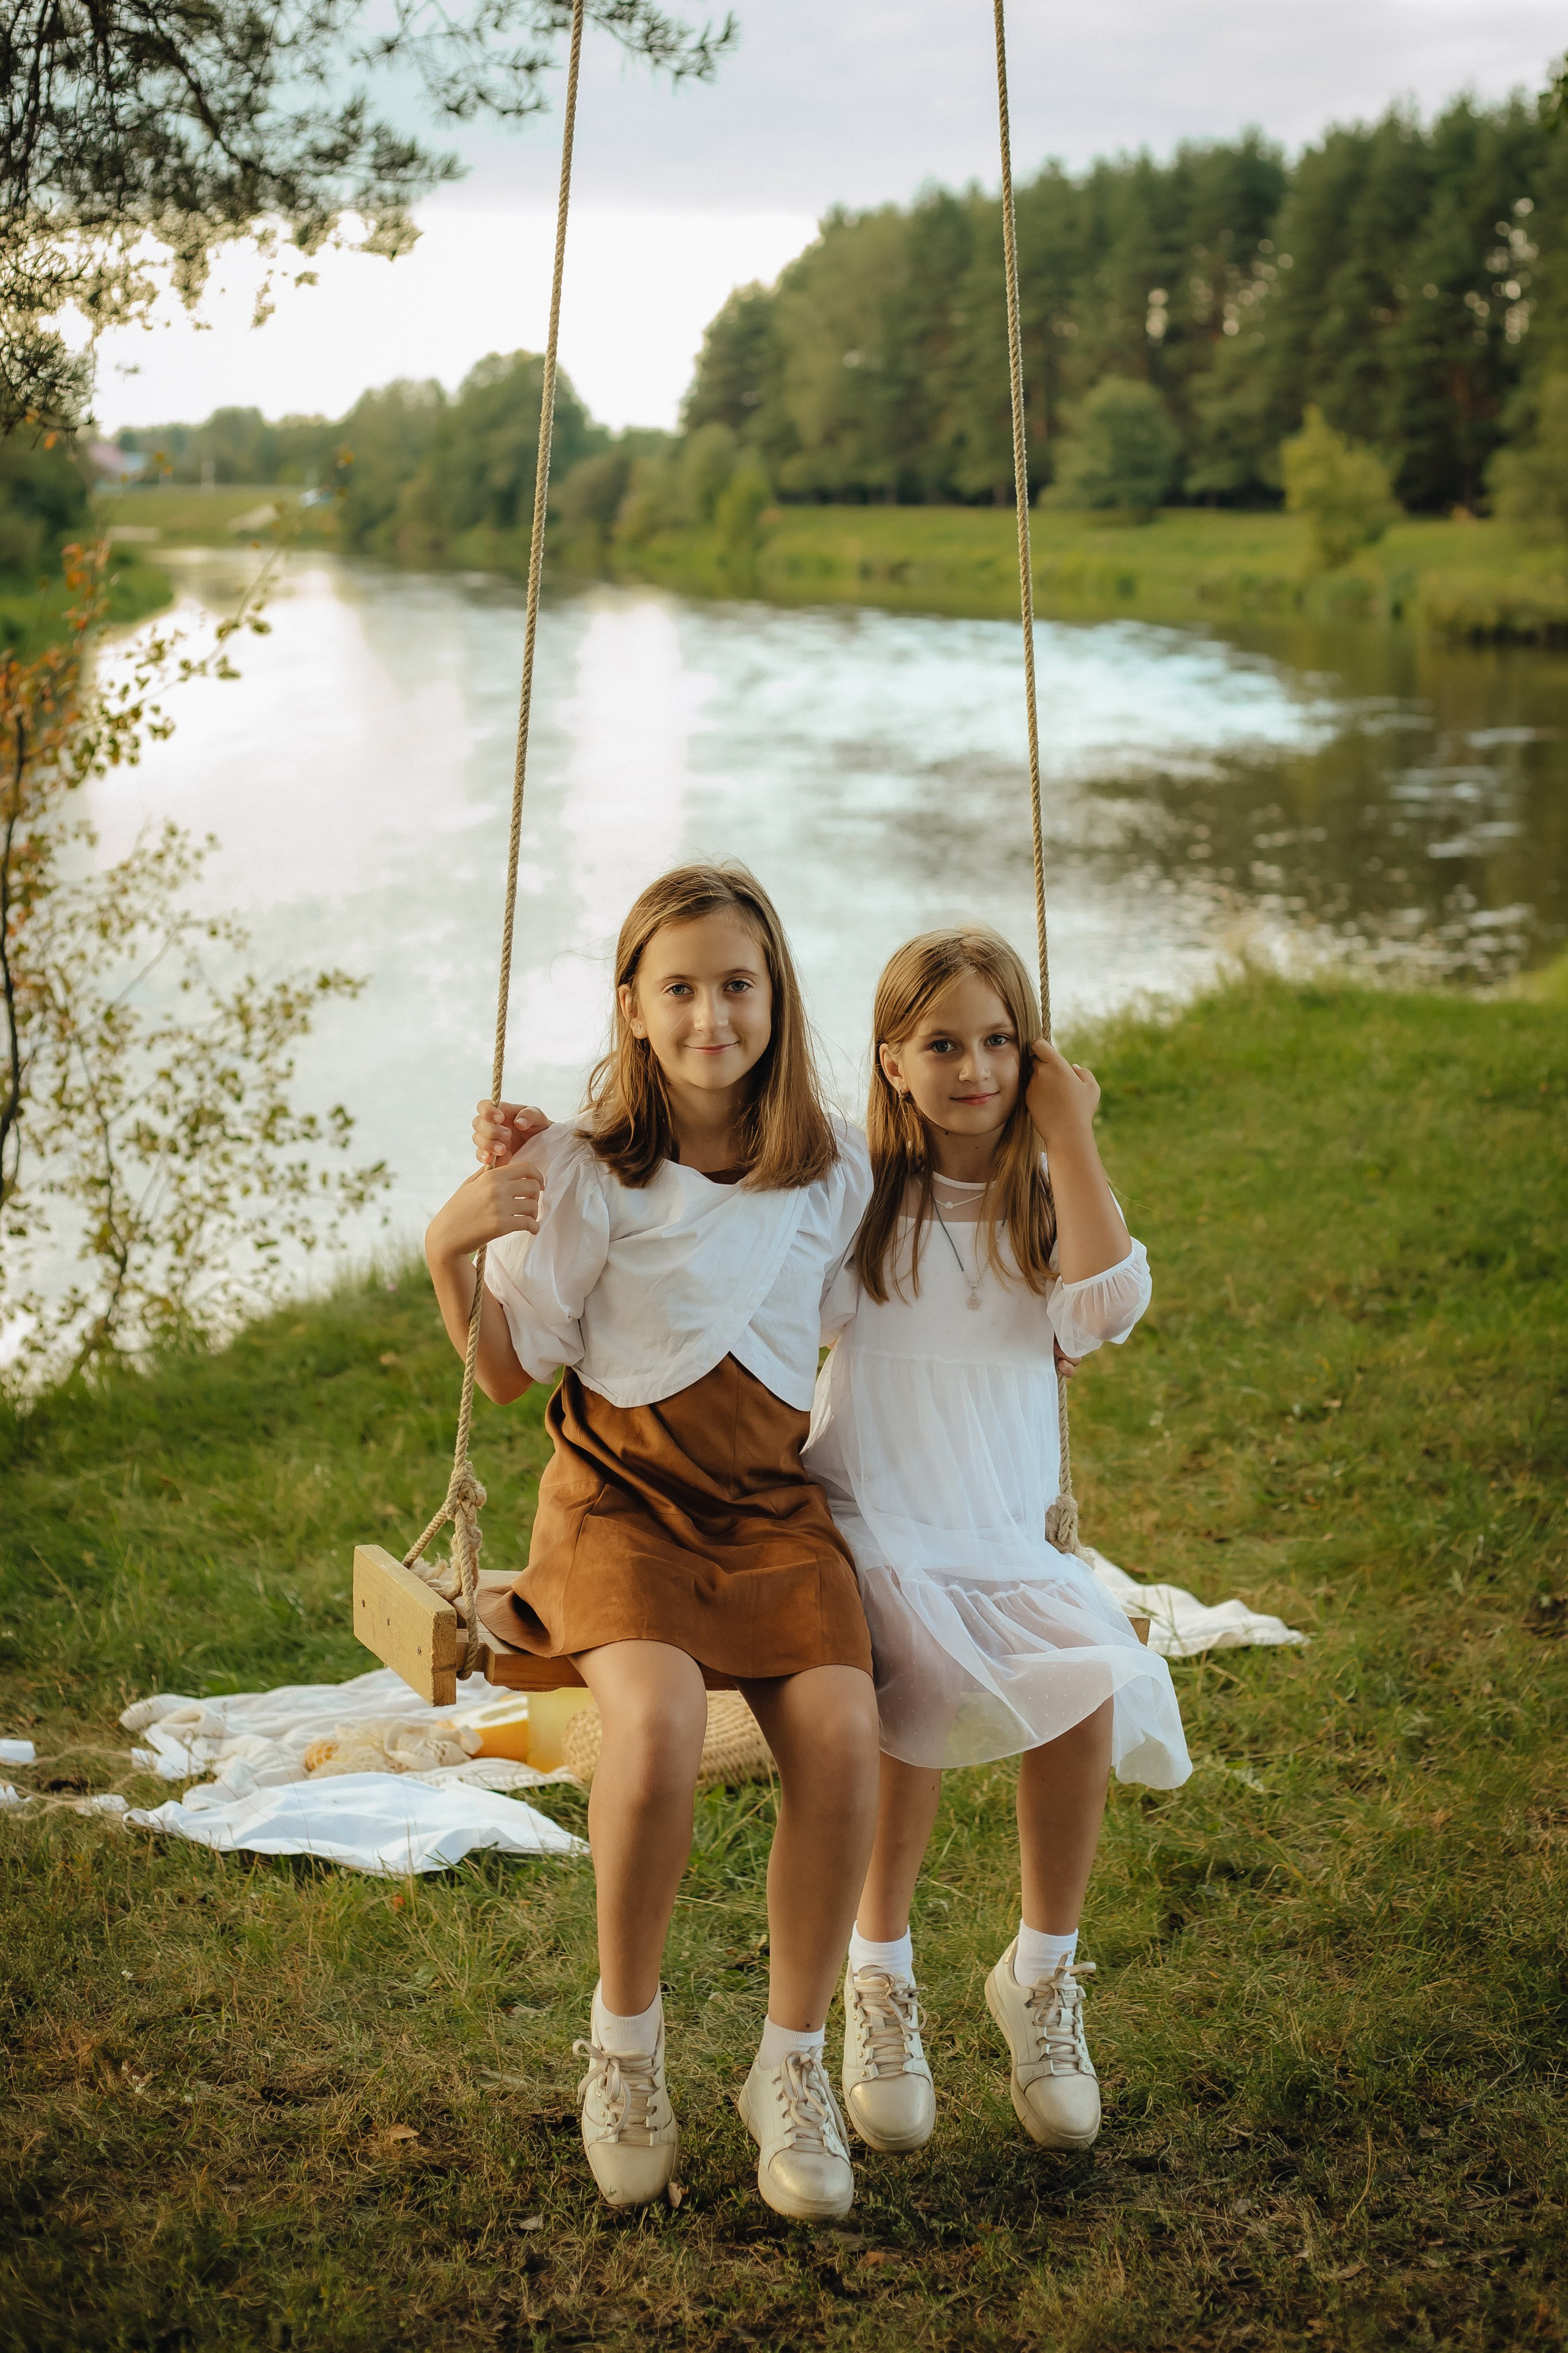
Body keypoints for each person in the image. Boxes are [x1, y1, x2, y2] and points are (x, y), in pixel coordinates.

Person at [425, 863, 881, 2223]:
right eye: (675, 988)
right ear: (630, 1007)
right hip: (618, 1505)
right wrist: (450, 1248)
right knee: (661, 1726)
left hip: (769, 1508)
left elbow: (892, 1312)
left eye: (735, 984)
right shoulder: (581, 1166)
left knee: (847, 1736)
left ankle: (788, 2065)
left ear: (774, 996)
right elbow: (507, 1379)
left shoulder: (833, 1164)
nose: (708, 1016)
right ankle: (625, 2040)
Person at [803, 926, 1190, 2159]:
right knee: (911, 1684)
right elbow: (759, 1292)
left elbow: (1103, 1303)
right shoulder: (856, 1197)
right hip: (874, 1517)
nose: (971, 1065)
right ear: (892, 1060)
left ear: (1029, 1054)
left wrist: (1067, 1133)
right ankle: (879, 1974)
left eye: (995, 1039)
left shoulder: (1040, 1197)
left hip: (999, 1529)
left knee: (1085, 1687)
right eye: (940, 1042)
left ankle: (1038, 1973)